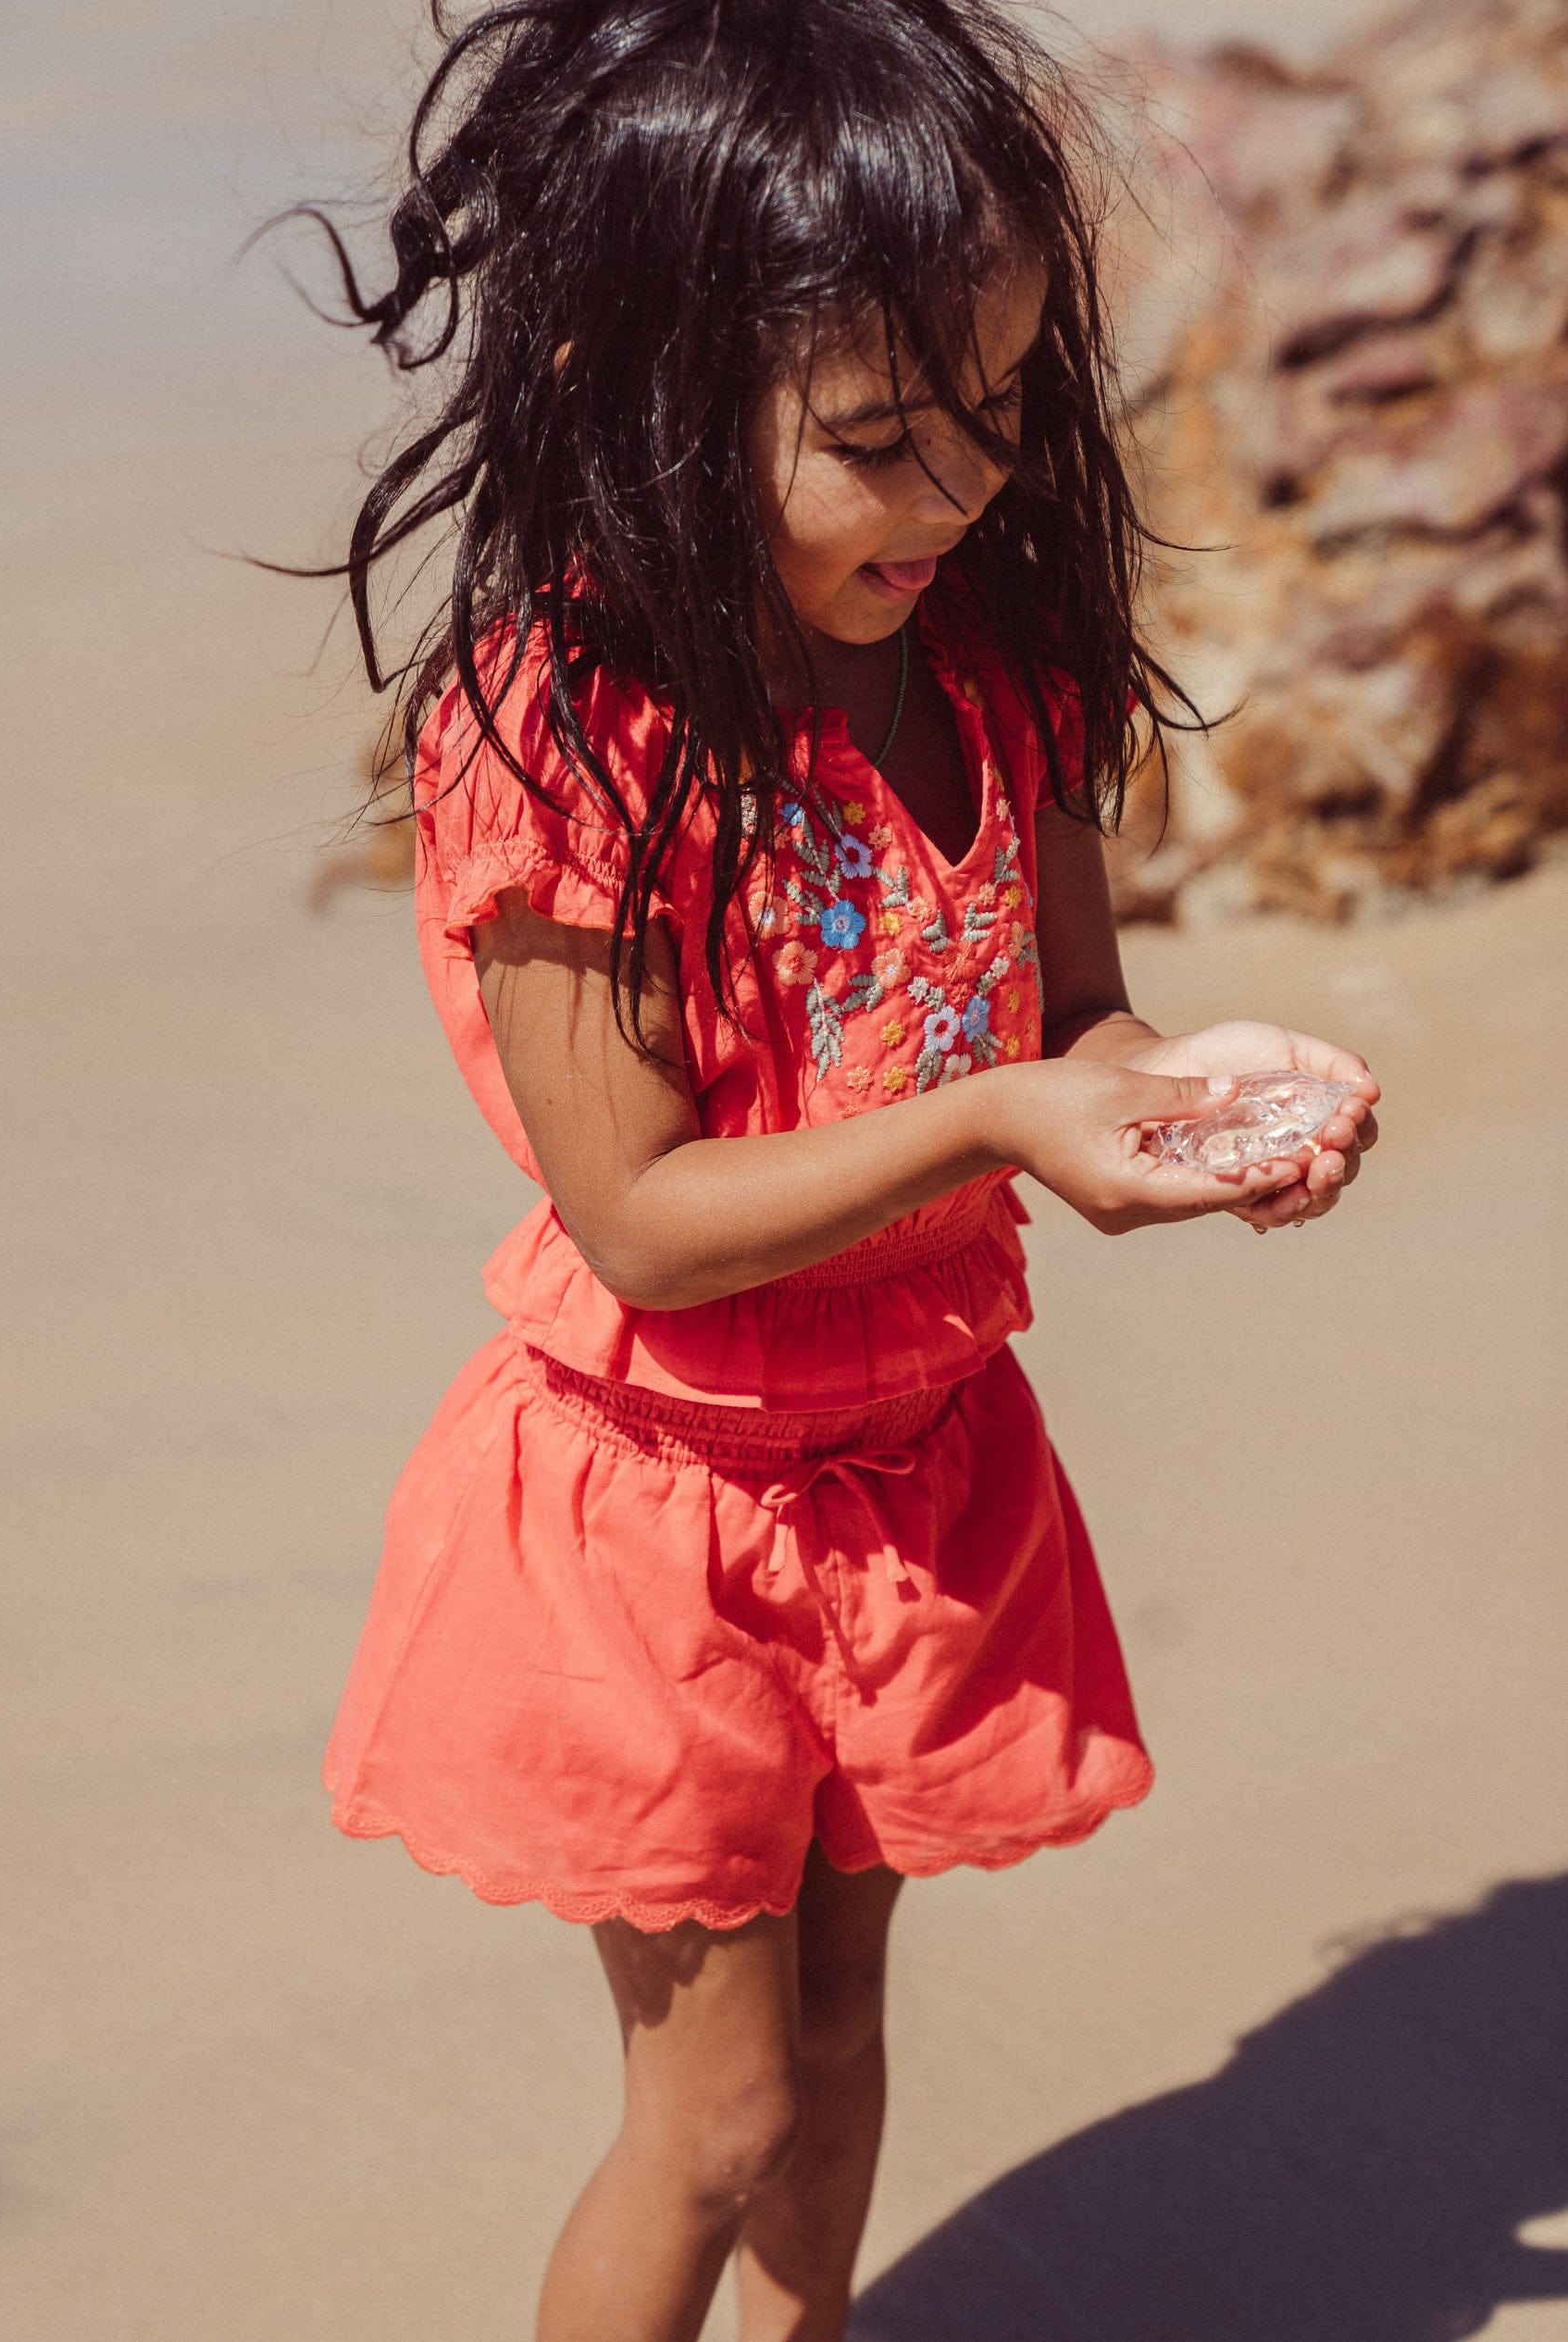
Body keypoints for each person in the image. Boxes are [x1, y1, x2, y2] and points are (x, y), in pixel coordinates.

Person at [309, 4, 1380, 2335]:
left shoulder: (1002, 657)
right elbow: (637, 1218)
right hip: (656, 1510)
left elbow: (1067, 1012)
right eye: (877, 437)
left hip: (917, 1464)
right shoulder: (568, 735)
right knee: (710, 2112)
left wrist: (1181, 1100)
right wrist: (997, 1122)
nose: (958, 487)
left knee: (839, 2031)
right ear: (650, 394)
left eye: (994, 402)